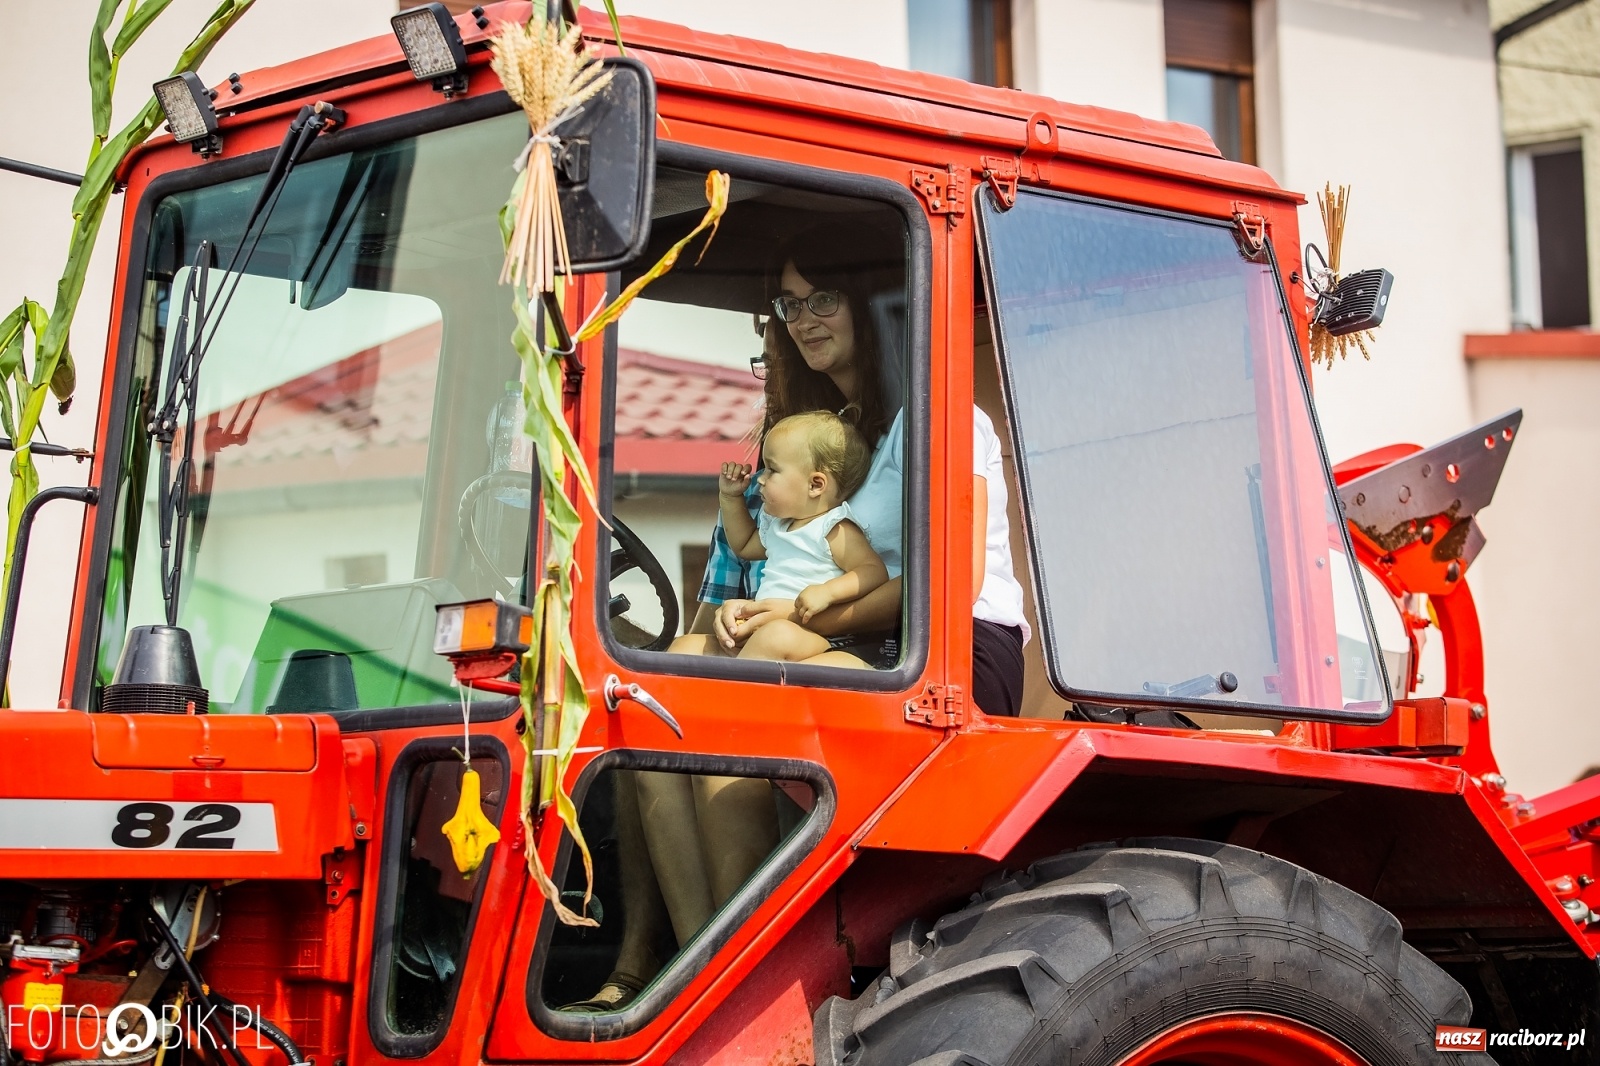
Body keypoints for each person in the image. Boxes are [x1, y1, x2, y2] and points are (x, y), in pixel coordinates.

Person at [672, 411, 887, 663]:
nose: (760, 479)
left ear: (816, 485)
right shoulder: (778, 526)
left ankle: (735, 699)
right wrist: (730, 498)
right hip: (764, 632)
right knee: (685, 646)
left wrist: (828, 593)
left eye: (772, 470)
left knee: (774, 637)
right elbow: (742, 545)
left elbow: (872, 571)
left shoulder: (834, 528)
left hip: (816, 636)